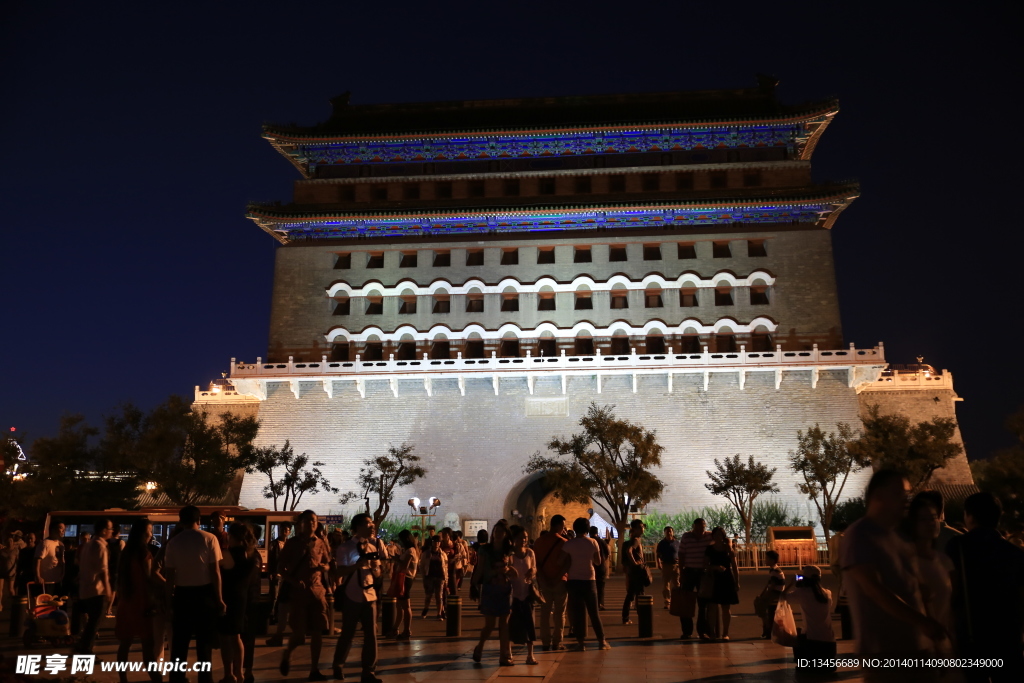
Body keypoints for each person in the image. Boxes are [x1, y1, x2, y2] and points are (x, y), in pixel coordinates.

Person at [841, 470, 945, 682]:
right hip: (884, 652)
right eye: (899, 493)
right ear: (878, 495)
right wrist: (923, 622)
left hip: (918, 648)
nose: (906, 500)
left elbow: (916, 590)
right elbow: (874, 590)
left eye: (907, 494)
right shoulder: (860, 534)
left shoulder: (899, 537)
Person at [946, 492, 1024, 682]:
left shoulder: (957, 546)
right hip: (1009, 640)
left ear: (970, 516)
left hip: (972, 638)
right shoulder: (1015, 553)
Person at [164, 506, 225, 683]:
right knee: (204, 644)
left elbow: (170, 577)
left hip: (182, 595)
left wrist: (169, 604)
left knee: (179, 644)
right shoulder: (210, 538)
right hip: (205, 595)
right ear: (199, 520)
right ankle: (205, 679)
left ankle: (177, 678)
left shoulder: (173, 543)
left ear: (181, 521)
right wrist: (219, 598)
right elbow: (215, 572)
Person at [278, 510, 332, 681]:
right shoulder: (293, 543)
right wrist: (293, 582)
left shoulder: (321, 542)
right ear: (300, 524)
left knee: (317, 632)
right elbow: (280, 569)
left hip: (317, 592)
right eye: (308, 520)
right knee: (300, 635)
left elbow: (328, 562)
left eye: (314, 520)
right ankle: (287, 654)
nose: (311, 523)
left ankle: (314, 669)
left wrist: (324, 568)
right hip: (299, 594)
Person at [331, 513, 383, 683]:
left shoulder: (373, 548)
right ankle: (338, 665)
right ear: (358, 527)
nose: (372, 527)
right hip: (351, 594)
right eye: (369, 524)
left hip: (369, 595)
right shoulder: (345, 548)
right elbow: (339, 572)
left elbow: (378, 574)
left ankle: (369, 671)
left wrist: (375, 569)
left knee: (371, 634)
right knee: (348, 633)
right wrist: (357, 565)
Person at [903, 492, 955, 657]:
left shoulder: (944, 561)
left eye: (933, 518)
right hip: (913, 648)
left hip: (943, 643)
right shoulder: (904, 561)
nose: (931, 523)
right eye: (923, 519)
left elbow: (953, 605)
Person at [114, 519, 163, 683]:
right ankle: (156, 679)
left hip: (126, 602)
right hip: (142, 603)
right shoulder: (145, 553)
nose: (151, 534)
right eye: (150, 530)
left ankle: (123, 679)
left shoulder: (126, 552)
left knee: (125, 645)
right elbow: (149, 577)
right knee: (148, 646)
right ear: (143, 533)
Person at [218, 523, 259, 683]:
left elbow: (217, 574)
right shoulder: (252, 556)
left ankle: (229, 674)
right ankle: (240, 673)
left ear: (233, 537)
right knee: (237, 637)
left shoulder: (227, 554)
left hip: (226, 598)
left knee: (225, 638)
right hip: (242, 599)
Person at [562, 517, 611, 651]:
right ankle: (602, 641)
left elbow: (564, 562)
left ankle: (581, 642)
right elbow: (598, 562)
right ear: (587, 529)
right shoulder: (593, 542)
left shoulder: (569, 544)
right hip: (590, 580)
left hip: (573, 580)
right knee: (594, 612)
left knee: (578, 613)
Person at [471, 521, 514, 666]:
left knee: (504, 624)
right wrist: (474, 584)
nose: (498, 533)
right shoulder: (485, 550)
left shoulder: (509, 551)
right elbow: (480, 568)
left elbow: (513, 568)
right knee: (489, 625)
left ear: (506, 534)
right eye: (496, 531)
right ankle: (480, 647)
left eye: (502, 531)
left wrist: (510, 571)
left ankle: (504, 655)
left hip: (505, 589)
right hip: (490, 588)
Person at [76, 517, 115, 655]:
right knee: (95, 623)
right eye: (110, 529)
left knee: (91, 622)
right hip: (97, 590)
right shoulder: (100, 545)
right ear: (104, 530)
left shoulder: (89, 544)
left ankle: (82, 646)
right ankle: (86, 649)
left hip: (86, 588)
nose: (112, 531)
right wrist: (108, 589)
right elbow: (103, 569)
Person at [786, 565, 836, 666]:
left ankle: (803, 662)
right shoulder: (828, 593)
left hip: (812, 643)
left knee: (798, 631)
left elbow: (782, 597)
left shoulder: (801, 592)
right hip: (829, 644)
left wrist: (791, 584)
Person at [508, 525, 539, 664]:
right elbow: (505, 569)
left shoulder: (530, 553)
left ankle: (530, 655)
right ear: (514, 539)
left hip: (527, 593)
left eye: (525, 537)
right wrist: (509, 569)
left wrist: (532, 570)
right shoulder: (510, 555)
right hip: (513, 594)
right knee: (512, 624)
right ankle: (508, 653)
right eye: (521, 537)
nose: (524, 540)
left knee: (529, 624)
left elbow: (534, 568)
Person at [677, 518, 712, 639]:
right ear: (693, 527)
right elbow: (681, 555)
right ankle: (687, 631)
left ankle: (702, 631)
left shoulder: (709, 536)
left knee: (703, 603)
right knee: (686, 603)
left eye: (702, 528)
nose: (700, 530)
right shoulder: (686, 537)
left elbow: (719, 542)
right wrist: (681, 573)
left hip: (703, 573)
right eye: (698, 528)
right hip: (689, 572)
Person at [704, 526, 739, 640]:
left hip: (727, 578)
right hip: (714, 578)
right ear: (713, 536)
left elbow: (734, 566)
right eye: (716, 535)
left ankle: (725, 633)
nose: (718, 537)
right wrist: (716, 567)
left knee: (726, 607)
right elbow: (705, 565)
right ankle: (712, 633)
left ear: (723, 536)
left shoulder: (728, 549)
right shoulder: (709, 549)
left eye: (720, 535)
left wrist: (737, 581)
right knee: (712, 607)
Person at [386, 529, 419, 639]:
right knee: (399, 605)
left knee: (405, 606)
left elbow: (405, 566)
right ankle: (395, 629)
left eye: (401, 539)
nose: (399, 541)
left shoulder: (410, 551)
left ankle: (406, 630)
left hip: (405, 578)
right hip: (403, 577)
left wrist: (396, 559)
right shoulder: (409, 550)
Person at [267, 522, 295, 647]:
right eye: (283, 529)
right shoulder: (274, 544)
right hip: (277, 573)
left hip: (288, 575)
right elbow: (271, 559)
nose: (284, 531)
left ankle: (278, 620)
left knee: (284, 599)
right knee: (275, 596)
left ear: (289, 531)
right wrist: (272, 572)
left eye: (287, 530)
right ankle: (273, 615)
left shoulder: (291, 544)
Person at [621, 518, 648, 625]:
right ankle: (641, 617)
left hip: (632, 572)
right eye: (641, 527)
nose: (643, 529)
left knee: (631, 595)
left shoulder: (628, 542)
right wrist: (636, 563)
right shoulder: (636, 540)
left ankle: (626, 617)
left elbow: (624, 559)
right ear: (635, 529)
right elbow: (629, 551)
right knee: (639, 595)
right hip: (637, 572)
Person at [420, 535, 448, 620]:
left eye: (438, 542)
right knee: (428, 595)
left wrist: (446, 578)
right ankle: (426, 609)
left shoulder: (443, 554)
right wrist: (424, 576)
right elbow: (422, 565)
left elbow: (446, 567)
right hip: (429, 576)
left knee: (439, 596)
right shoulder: (426, 553)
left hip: (440, 576)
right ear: (432, 542)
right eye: (435, 541)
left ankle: (439, 613)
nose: (437, 543)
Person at [35, 519, 66, 595]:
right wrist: (38, 576)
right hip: (47, 582)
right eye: (61, 528)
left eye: (64, 529)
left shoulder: (60, 544)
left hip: (57, 581)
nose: (63, 531)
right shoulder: (45, 543)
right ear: (53, 529)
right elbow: (37, 560)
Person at [759, 549, 785, 639]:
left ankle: (767, 630)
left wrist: (765, 596)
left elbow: (772, 586)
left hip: (776, 594)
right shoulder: (774, 570)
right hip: (776, 593)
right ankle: (767, 630)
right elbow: (769, 583)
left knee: (763, 609)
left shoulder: (774, 571)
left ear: (772, 560)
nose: (765, 560)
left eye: (767, 558)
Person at [655, 526, 679, 609]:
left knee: (677, 584)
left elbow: (680, 553)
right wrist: (659, 564)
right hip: (666, 565)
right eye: (667, 531)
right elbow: (658, 555)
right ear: (664, 533)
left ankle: (676, 600)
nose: (669, 533)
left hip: (676, 566)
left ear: (673, 532)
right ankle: (667, 601)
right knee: (666, 584)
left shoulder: (676, 542)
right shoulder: (662, 543)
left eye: (670, 531)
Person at [588, 526, 610, 609]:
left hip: (590, 566)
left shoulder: (589, 541)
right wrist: (603, 561)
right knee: (600, 586)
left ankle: (592, 604)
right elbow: (607, 553)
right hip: (601, 566)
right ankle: (600, 603)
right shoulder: (602, 542)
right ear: (597, 532)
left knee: (591, 586)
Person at [15, 531, 37, 595]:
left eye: (31, 538)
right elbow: (19, 565)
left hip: (34, 575)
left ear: (34, 539)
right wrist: (17, 578)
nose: (29, 540)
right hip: (25, 575)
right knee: (22, 595)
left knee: (35, 595)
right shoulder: (23, 551)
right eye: (28, 538)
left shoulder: (37, 551)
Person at [0, 535, 18, 611]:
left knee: (11, 589)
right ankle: (0, 605)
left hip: (11, 572)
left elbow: (17, 561)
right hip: (1, 571)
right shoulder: (2, 551)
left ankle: (15, 604)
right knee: (0, 589)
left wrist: (16, 570)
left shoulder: (16, 550)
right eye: (8, 541)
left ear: (13, 542)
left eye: (11, 541)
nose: (9, 542)